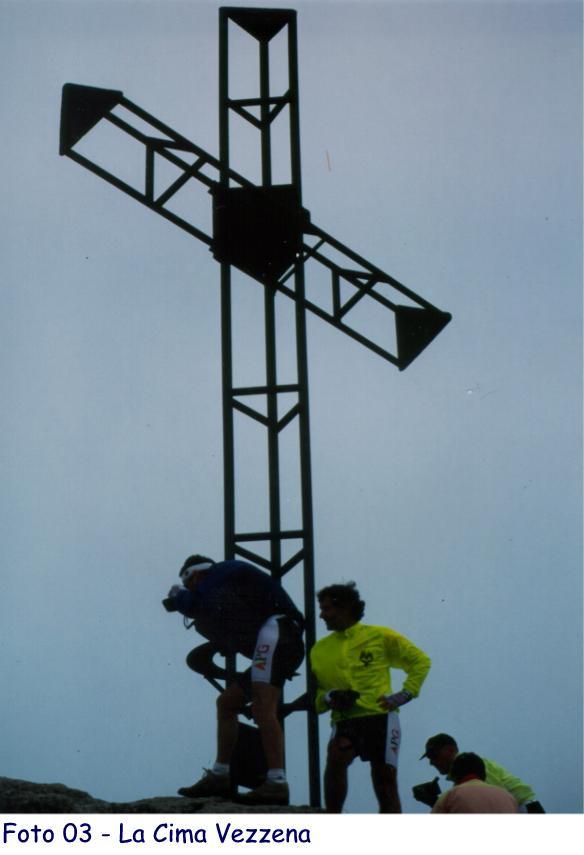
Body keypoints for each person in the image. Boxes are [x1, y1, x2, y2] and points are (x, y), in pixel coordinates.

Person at [163, 553, 305, 806]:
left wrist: (178, 596)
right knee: (227, 703)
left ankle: (276, 782)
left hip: (276, 633)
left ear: (196, 574)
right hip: (277, 640)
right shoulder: (228, 581)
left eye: (189, 583)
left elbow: (196, 603)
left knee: (263, 707)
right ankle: (220, 775)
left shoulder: (223, 571)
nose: (190, 589)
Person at [310, 582, 431, 813]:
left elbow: (421, 661)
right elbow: (317, 696)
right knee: (336, 759)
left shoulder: (379, 636)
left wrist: (405, 694)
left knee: (385, 781)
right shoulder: (319, 649)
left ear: (345, 608)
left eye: (326, 609)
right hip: (345, 719)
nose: (321, 615)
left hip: (381, 717)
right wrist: (330, 698)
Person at [419, 732, 544, 812]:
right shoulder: (468, 773)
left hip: (526, 808)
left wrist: (438, 802)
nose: (431, 762)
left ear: (451, 750)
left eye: (434, 755)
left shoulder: (472, 767)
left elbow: (488, 802)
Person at [432, 752, 519, 813]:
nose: (431, 762)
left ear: (455, 776)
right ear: (483, 774)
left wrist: (431, 801)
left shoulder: (449, 797)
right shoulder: (508, 797)